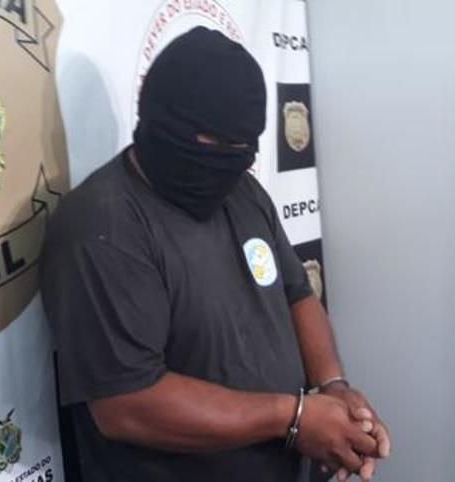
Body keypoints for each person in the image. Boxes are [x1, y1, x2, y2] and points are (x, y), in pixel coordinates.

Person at [40, 27, 390, 482]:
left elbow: (296, 293)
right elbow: (126, 405)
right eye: (217, 144)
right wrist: (294, 417)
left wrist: (332, 387)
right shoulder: (102, 225)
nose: (235, 160)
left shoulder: (243, 191)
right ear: (164, 122)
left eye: (243, 147)